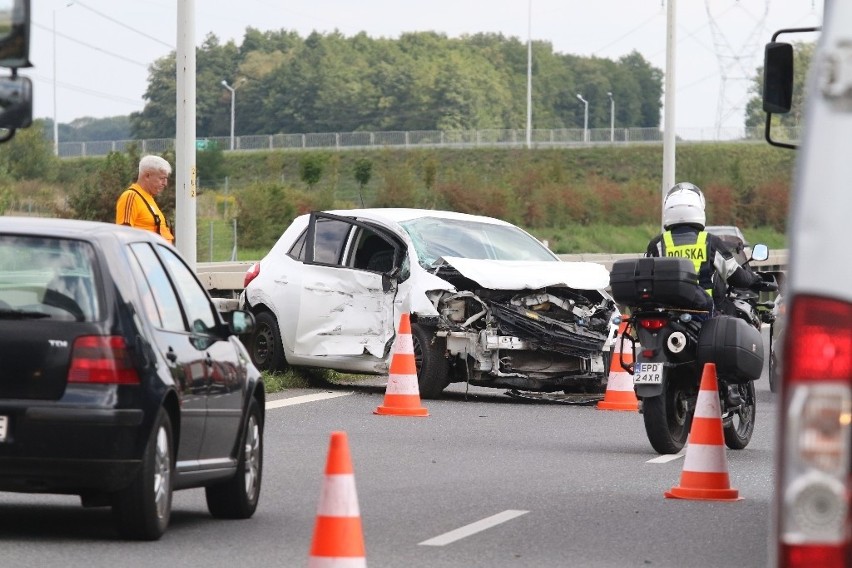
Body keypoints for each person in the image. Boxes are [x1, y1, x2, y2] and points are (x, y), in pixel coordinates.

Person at [646, 182, 763, 315]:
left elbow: (647, 279)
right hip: (703, 313)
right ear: (699, 209)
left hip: (666, 313)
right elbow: (737, 277)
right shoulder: (710, 242)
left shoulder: (657, 245)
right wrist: (754, 279)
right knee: (732, 316)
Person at [115, 155, 175, 244]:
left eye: (166, 179)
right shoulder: (131, 197)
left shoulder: (148, 199)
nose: (165, 183)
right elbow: (124, 235)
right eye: (162, 178)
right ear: (147, 176)